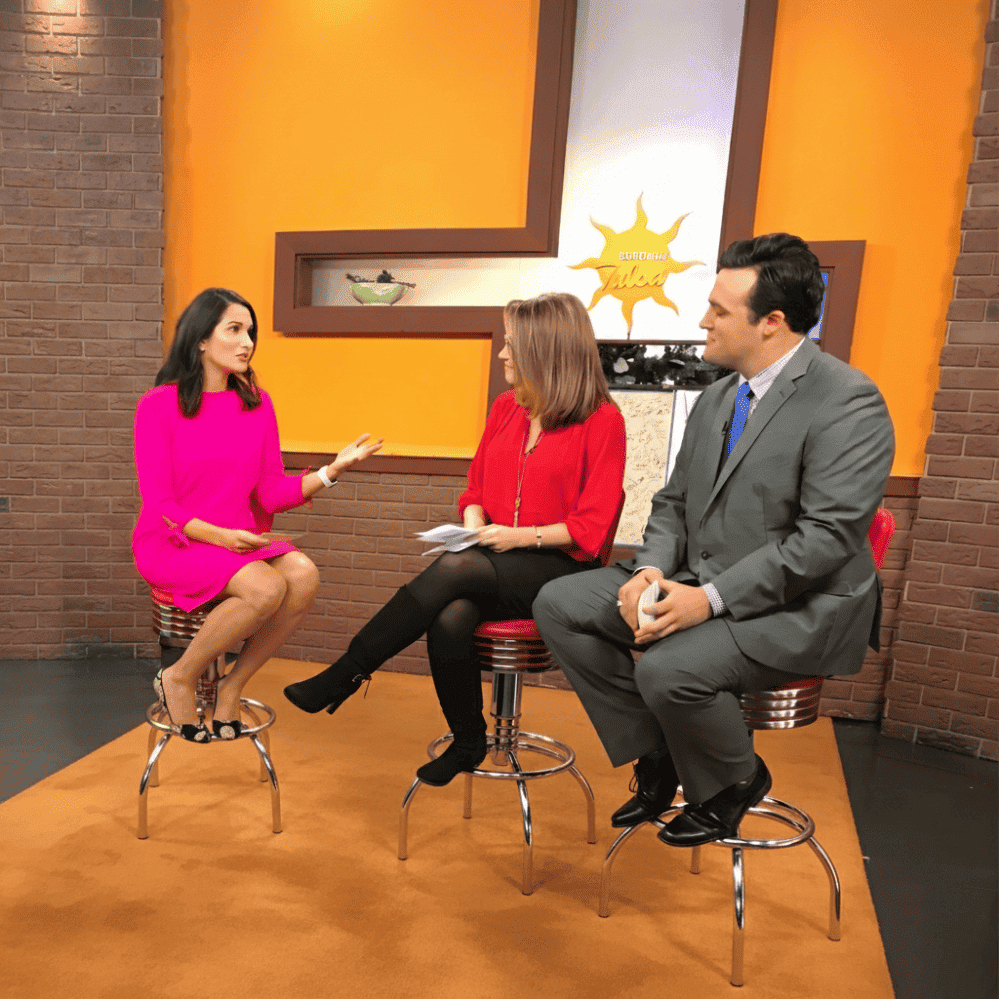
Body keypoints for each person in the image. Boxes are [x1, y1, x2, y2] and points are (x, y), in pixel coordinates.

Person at [533, 233, 895, 847]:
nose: (703, 320)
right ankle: (662, 753)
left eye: (720, 310)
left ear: (772, 323)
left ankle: (734, 780)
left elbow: (825, 540)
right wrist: (649, 571)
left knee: (669, 670)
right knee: (560, 604)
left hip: (801, 607)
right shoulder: (719, 397)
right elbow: (674, 503)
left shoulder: (847, 402)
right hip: (701, 580)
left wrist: (709, 599)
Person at [283, 292, 627, 786]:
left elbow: (591, 529)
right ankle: (468, 740)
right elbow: (475, 489)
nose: (504, 355)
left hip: (561, 567)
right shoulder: (506, 407)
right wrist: (473, 527)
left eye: (512, 346)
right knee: (451, 615)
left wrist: (512, 537)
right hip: (495, 557)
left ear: (545, 351)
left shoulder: (602, 420)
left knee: (454, 569)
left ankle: (348, 672)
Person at [132, 287, 382, 743]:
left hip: (237, 542)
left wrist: (330, 471)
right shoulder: (158, 405)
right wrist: (222, 538)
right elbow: (160, 505)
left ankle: (232, 685)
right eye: (234, 330)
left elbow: (269, 494)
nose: (247, 341)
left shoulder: (257, 404)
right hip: (173, 541)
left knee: (303, 575)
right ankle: (179, 676)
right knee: (265, 586)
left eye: (251, 332)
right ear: (201, 340)